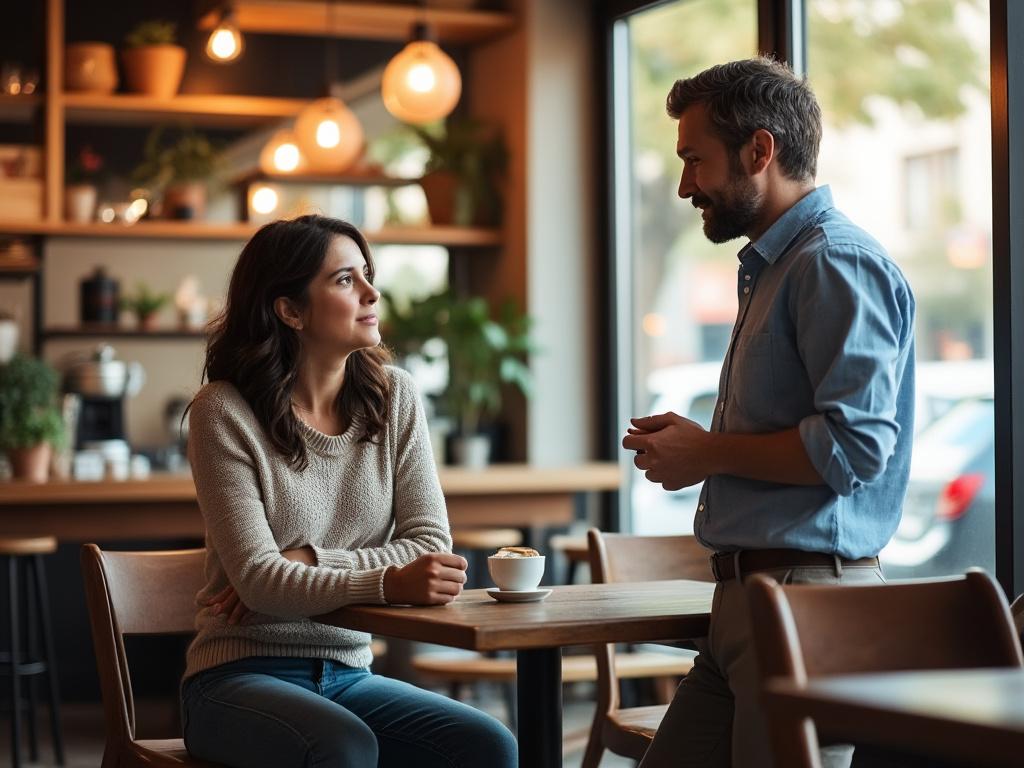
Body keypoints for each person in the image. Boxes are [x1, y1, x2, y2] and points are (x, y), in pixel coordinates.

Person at [622, 58, 916, 768]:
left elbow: (855, 450)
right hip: (746, 605)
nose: (687, 184)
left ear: (760, 150)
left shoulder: (833, 262)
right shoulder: (776, 267)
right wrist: (702, 449)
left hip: (809, 601)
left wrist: (709, 453)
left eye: (696, 159)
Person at [181, 214, 518, 768]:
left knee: (489, 745)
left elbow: (430, 546)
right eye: (344, 280)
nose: (371, 292)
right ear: (289, 310)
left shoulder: (395, 397)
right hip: (236, 677)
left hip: (348, 673)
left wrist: (307, 560)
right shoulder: (223, 411)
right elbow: (262, 583)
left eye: (367, 274)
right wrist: (387, 580)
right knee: (343, 746)